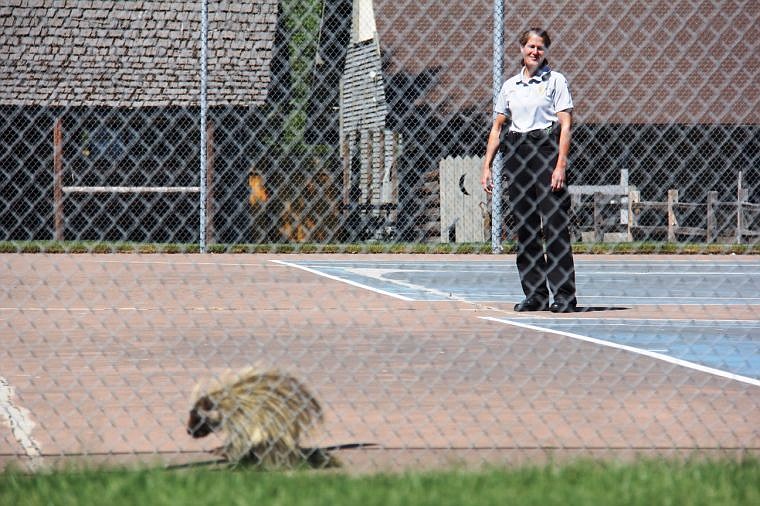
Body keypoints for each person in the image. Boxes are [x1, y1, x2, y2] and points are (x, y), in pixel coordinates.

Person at [481, 27, 577, 313]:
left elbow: (566, 125)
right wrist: (486, 166)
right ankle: (535, 294)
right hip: (518, 153)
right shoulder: (510, 86)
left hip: (546, 151)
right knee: (526, 227)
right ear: (522, 49)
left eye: (540, 47)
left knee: (554, 226)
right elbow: (497, 128)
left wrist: (560, 164)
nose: (535, 52)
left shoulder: (555, 81)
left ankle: (564, 296)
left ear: (545, 51)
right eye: (530, 46)